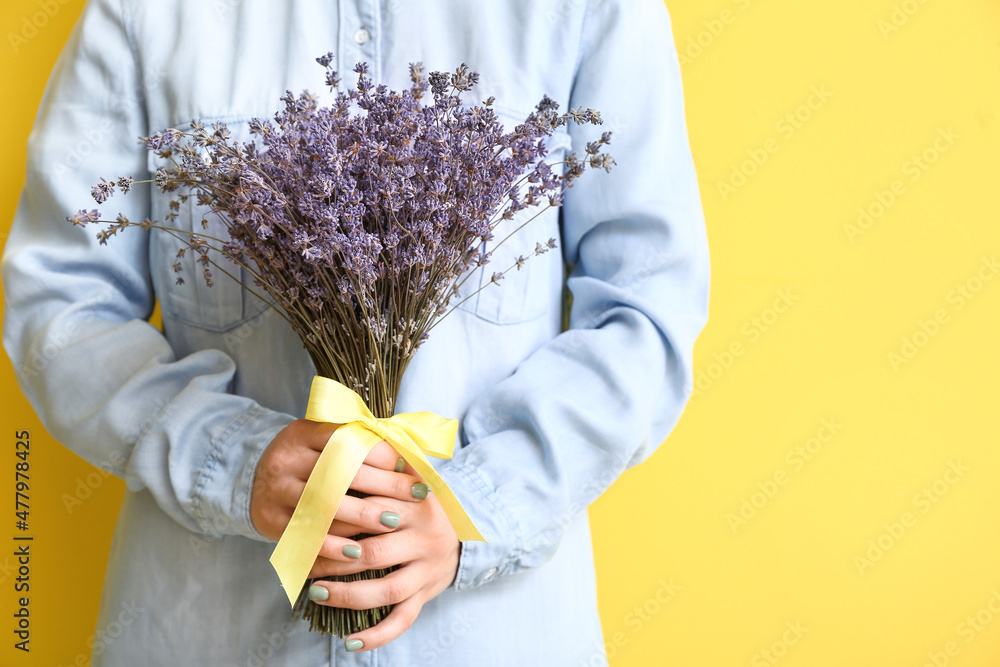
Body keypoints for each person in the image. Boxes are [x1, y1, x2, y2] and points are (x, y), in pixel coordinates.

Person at [2, 0, 709, 664]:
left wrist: (478, 505)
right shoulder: (145, 13)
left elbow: (646, 306)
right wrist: (230, 460)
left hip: (493, 635)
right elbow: (57, 303)